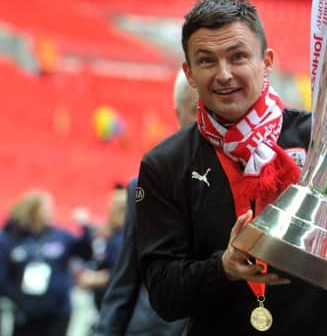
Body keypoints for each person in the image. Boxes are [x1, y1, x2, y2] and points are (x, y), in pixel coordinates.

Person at [134, 0, 327, 335]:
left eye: (238, 57)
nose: (224, 74)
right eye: (207, 61)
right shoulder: (165, 164)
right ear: (189, 73)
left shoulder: (321, 136)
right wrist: (223, 268)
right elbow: (163, 295)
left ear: (266, 62)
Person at [92, 70, 195, 336]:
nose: (207, 121)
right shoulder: (142, 187)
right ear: (177, 114)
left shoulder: (249, 182)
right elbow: (125, 280)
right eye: (197, 111)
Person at [0, 190, 93, 336]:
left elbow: (85, 253)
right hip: (25, 312)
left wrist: (86, 228)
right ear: (32, 211)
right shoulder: (12, 238)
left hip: (57, 312)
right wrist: (18, 299)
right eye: (45, 209)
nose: (49, 213)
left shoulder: (61, 235)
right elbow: (3, 275)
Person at [77, 187, 127, 311]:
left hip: (116, 305)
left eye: (113, 208)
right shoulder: (116, 236)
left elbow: (119, 273)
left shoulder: (121, 239)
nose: (109, 212)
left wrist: (92, 279)